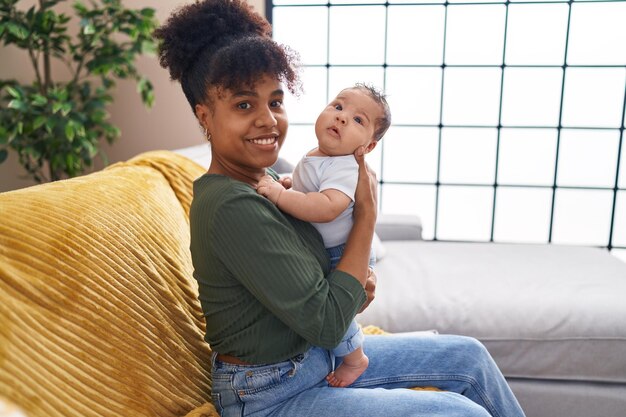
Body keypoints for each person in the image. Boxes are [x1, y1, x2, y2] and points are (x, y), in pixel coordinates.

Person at [154, 1, 527, 416]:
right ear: (205, 116)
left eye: (275, 102)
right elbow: (330, 321)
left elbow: (320, 292)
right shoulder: (230, 207)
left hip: (313, 359)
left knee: (468, 357)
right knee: (461, 414)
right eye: (244, 105)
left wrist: (350, 294)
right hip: (268, 394)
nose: (268, 120)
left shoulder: (272, 182)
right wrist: (367, 215)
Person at [256, 83, 391, 387]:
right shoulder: (322, 154)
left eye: (359, 120)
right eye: (338, 106)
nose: (342, 118)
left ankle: (355, 358)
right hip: (328, 246)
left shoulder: (345, 167)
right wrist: (292, 184)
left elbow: (326, 206)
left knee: (334, 310)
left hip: (340, 252)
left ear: (367, 147)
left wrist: (279, 194)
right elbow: (310, 185)